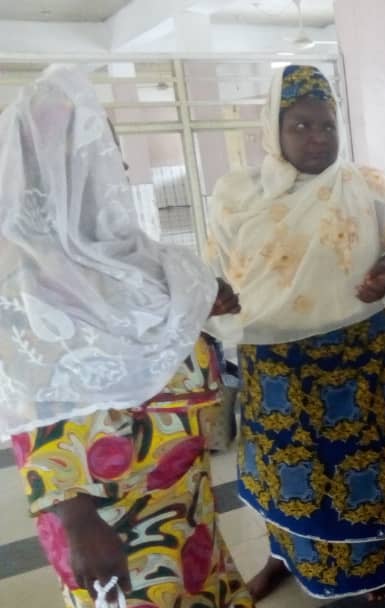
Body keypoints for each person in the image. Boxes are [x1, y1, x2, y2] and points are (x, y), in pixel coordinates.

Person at [1, 66, 250, 608]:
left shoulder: (141, 258)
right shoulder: (24, 285)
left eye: (110, 151)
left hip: (185, 490)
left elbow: (185, 309)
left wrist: (205, 299)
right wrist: (75, 519)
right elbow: (29, 411)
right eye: (93, 153)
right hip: (103, 512)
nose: (115, 167)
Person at [203, 64, 385, 604]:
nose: (317, 138)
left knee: (376, 468)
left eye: (327, 125)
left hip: (366, 356)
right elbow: (216, 268)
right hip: (277, 366)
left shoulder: (365, 184)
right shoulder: (237, 194)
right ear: (274, 130)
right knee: (286, 471)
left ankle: (384, 569)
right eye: (301, 126)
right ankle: (282, 556)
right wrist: (216, 294)